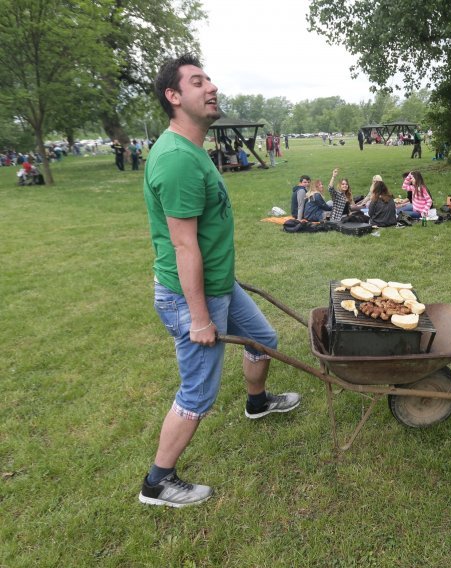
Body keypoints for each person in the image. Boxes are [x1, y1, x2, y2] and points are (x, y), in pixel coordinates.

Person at [140, 54, 300, 508]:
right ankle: (157, 483)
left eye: (209, 79)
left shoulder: (191, 150)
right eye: (197, 82)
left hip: (217, 283)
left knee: (262, 338)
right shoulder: (176, 160)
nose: (211, 87)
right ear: (173, 97)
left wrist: (224, 280)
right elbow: (184, 246)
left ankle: (257, 402)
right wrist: (199, 317)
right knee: (197, 393)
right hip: (193, 296)